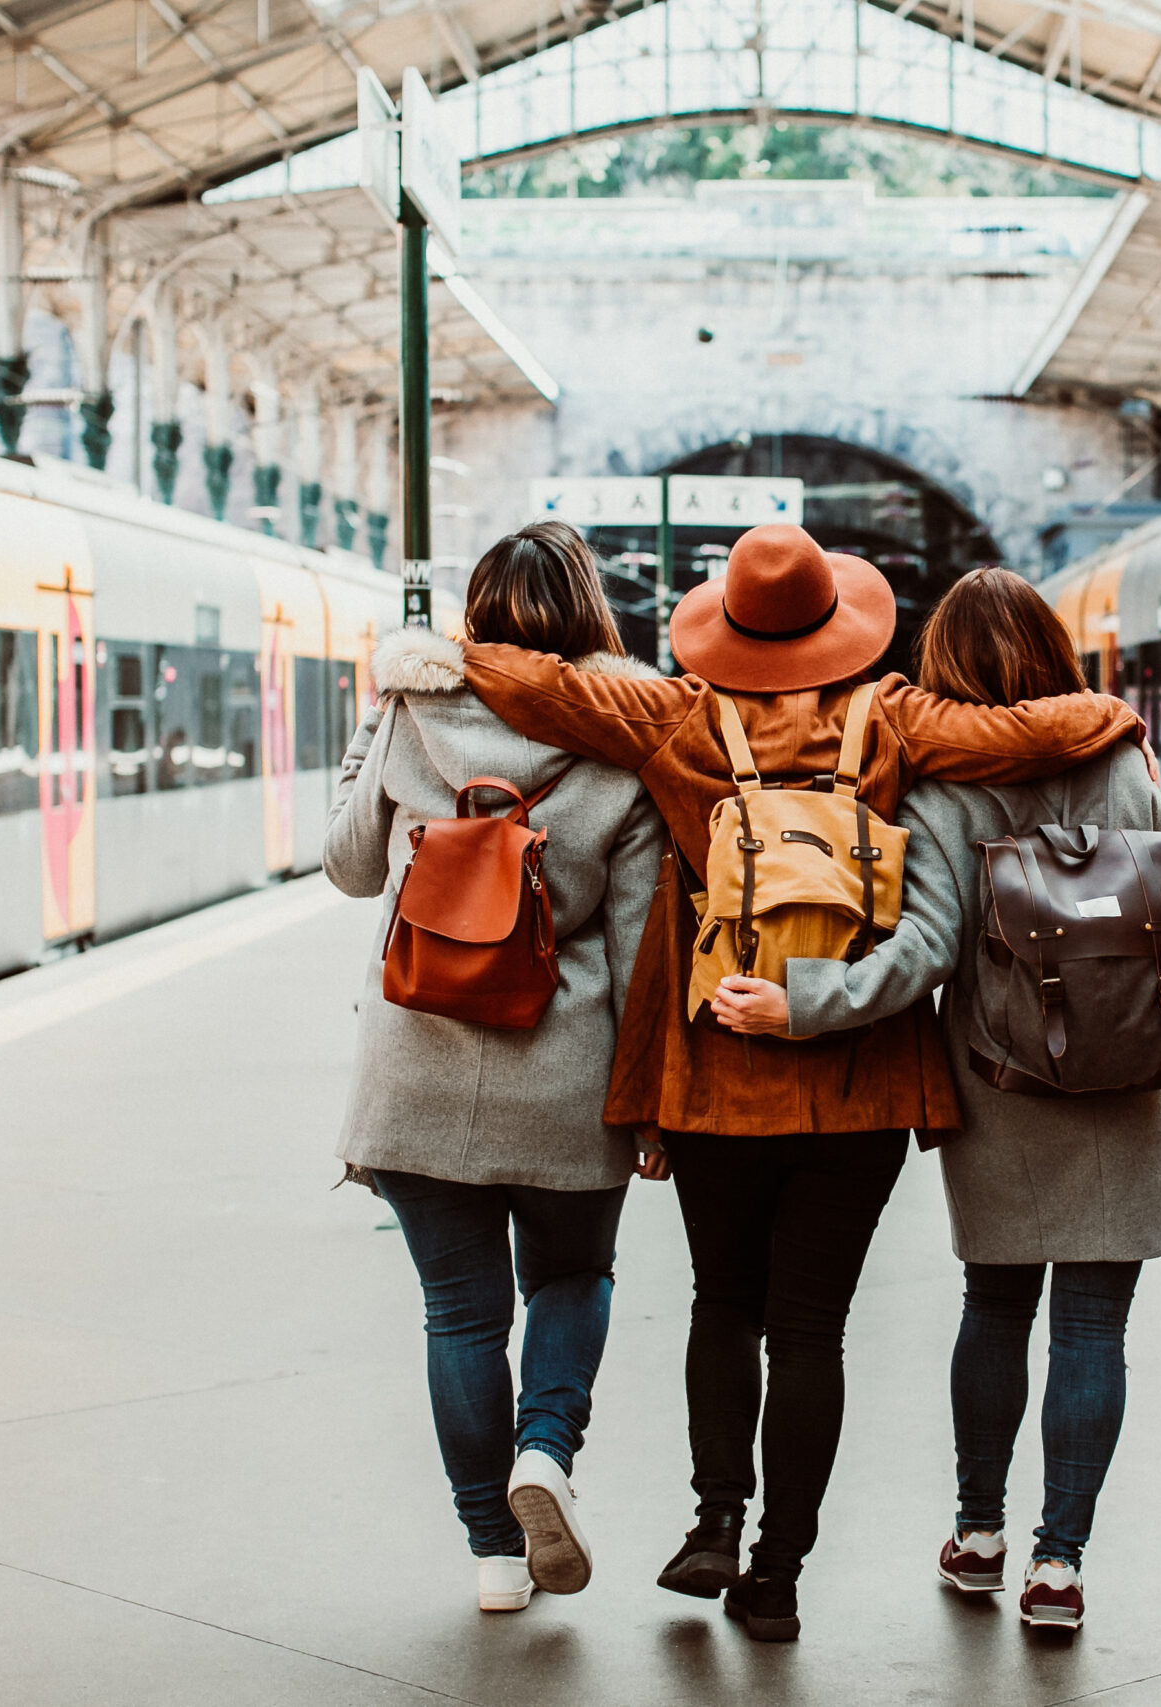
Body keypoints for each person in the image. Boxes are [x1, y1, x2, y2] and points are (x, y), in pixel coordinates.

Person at [453, 524, 1147, 1641]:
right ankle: (777, 1574)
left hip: (718, 1063)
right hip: (860, 1078)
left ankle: (714, 1522)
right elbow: (1026, 734)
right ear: (841, 623)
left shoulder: (673, 715)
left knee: (721, 1305)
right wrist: (1105, 714)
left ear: (724, 626)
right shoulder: (897, 716)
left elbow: (539, 690)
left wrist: (447, 657)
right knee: (809, 1331)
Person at [710, 568, 1161, 1635]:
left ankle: (981, 1538)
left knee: (999, 1306)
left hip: (1004, 1079)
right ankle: (1059, 1567)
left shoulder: (940, 785)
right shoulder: (1122, 754)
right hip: (1128, 1078)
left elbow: (923, 953)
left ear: (944, 672)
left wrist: (800, 1004)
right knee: (1094, 1326)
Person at [325, 521, 667, 1616]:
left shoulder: (410, 706)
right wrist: (648, 1096)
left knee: (458, 1317)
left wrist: (371, 747)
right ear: (590, 613)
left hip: (416, 1064)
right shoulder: (623, 736)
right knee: (569, 1279)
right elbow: (634, 942)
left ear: (472, 614)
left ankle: (490, 1557)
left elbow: (348, 866)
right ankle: (545, 1453)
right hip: (565, 1067)